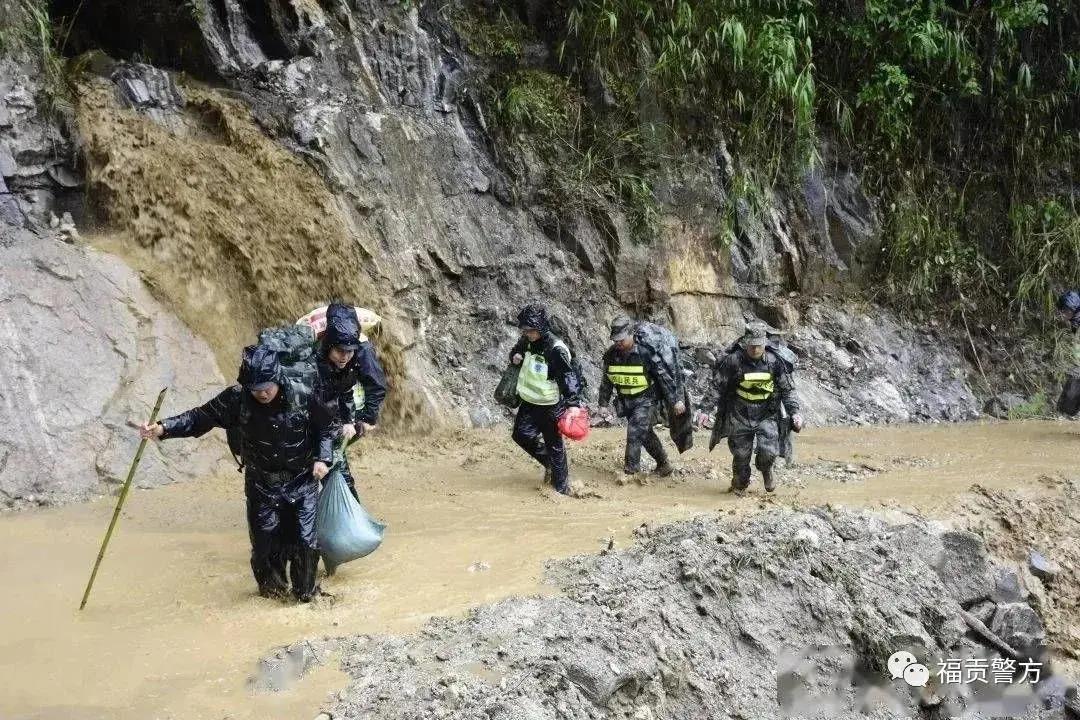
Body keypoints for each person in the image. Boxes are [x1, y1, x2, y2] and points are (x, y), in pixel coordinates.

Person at [138, 344, 334, 601]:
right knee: (265, 547)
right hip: (262, 485)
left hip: (301, 481)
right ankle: (273, 597)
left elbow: (327, 427)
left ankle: (306, 598)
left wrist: (323, 457)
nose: (262, 394)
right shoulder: (236, 399)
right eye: (256, 389)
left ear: (278, 378)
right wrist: (164, 428)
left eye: (267, 387)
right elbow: (200, 417)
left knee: (305, 544)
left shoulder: (304, 394)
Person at [710, 322, 803, 495]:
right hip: (739, 415)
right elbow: (717, 387)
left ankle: (766, 470)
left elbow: (788, 390)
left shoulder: (775, 362)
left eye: (759, 345)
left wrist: (795, 412)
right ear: (745, 343)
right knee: (741, 456)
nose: (755, 349)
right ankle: (739, 486)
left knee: (768, 453)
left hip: (766, 415)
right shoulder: (733, 361)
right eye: (751, 345)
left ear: (765, 344)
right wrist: (703, 408)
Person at [315, 302, 388, 501]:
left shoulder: (362, 350)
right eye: (340, 351)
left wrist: (366, 418)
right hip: (316, 408)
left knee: (335, 463)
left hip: (346, 407)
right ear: (329, 344)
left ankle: (346, 510)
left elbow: (377, 385)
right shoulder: (313, 350)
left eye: (349, 351)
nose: (345, 356)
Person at [508, 304, 583, 495]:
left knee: (555, 445)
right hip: (529, 402)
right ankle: (548, 461)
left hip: (550, 405)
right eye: (525, 330)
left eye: (531, 330)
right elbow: (516, 351)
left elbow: (568, 375)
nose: (528, 334)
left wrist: (573, 403)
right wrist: (514, 356)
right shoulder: (527, 341)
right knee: (520, 435)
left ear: (541, 327)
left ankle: (562, 489)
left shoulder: (555, 349)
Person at [598, 316, 685, 478]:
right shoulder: (611, 355)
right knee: (644, 434)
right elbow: (607, 381)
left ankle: (631, 473)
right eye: (615, 340)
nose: (618, 343)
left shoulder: (645, 353)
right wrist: (603, 403)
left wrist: (675, 401)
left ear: (631, 334)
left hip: (646, 400)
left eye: (621, 340)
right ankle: (664, 464)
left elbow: (664, 378)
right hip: (626, 402)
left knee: (634, 432)